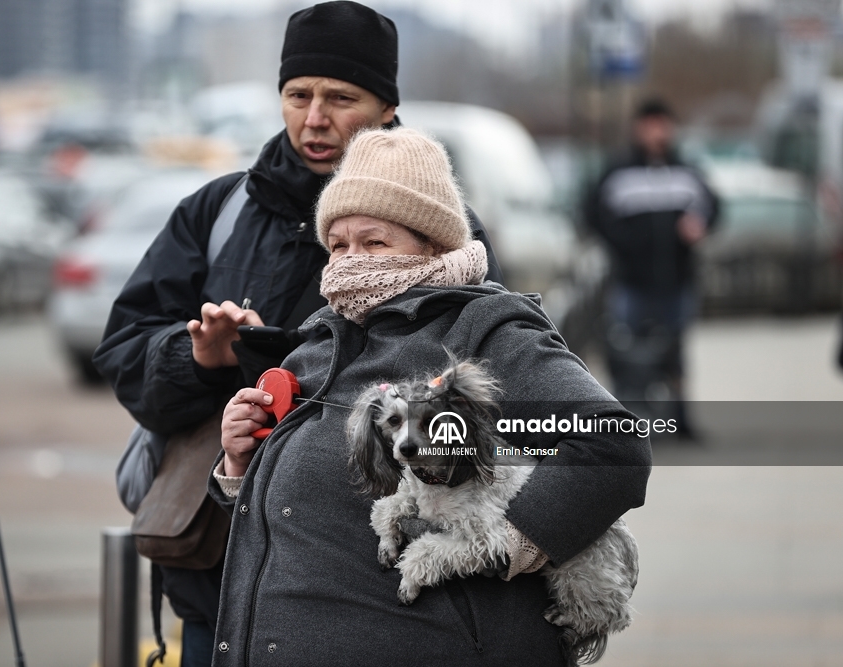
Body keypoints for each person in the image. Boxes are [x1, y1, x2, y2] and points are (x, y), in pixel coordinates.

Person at [92, 3, 502, 664]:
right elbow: (122, 352)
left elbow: (475, 397)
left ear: (387, 108)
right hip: (219, 589)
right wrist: (198, 358)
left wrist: (298, 367)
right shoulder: (216, 212)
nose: (314, 118)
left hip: (375, 596)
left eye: (341, 97)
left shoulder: (446, 233)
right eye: (297, 95)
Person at [207, 128, 651, 665]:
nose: (352, 262)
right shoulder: (320, 342)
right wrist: (240, 462)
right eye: (339, 244)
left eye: (374, 243)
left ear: (433, 243)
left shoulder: (485, 333)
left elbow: (615, 447)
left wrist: (508, 543)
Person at [585, 98, 719, 436]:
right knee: (628, 353)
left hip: (677, 280)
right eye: (651, 124)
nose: (658, 132)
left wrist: (700, 224)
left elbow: (713, 207)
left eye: (664, 124)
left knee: (676, 353)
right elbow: (592, 213)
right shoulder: (618, 172)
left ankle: (680, 421)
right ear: (638, 128)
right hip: (632, 281)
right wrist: (625, 245)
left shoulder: (687, 172)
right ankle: (627, 422)